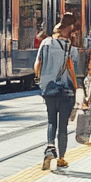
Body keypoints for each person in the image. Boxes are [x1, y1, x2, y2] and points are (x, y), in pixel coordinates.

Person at [37, 12, 83, 171]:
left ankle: (50, 148)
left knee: (51, 121)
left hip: (48, 88)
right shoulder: (72, 49)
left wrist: (40, 79)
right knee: (62, 126)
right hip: (66, 91)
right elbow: (71, 69)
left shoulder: (45, 43)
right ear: (70, 29)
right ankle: (61, 158)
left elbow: (37, 65)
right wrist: (77, 88)